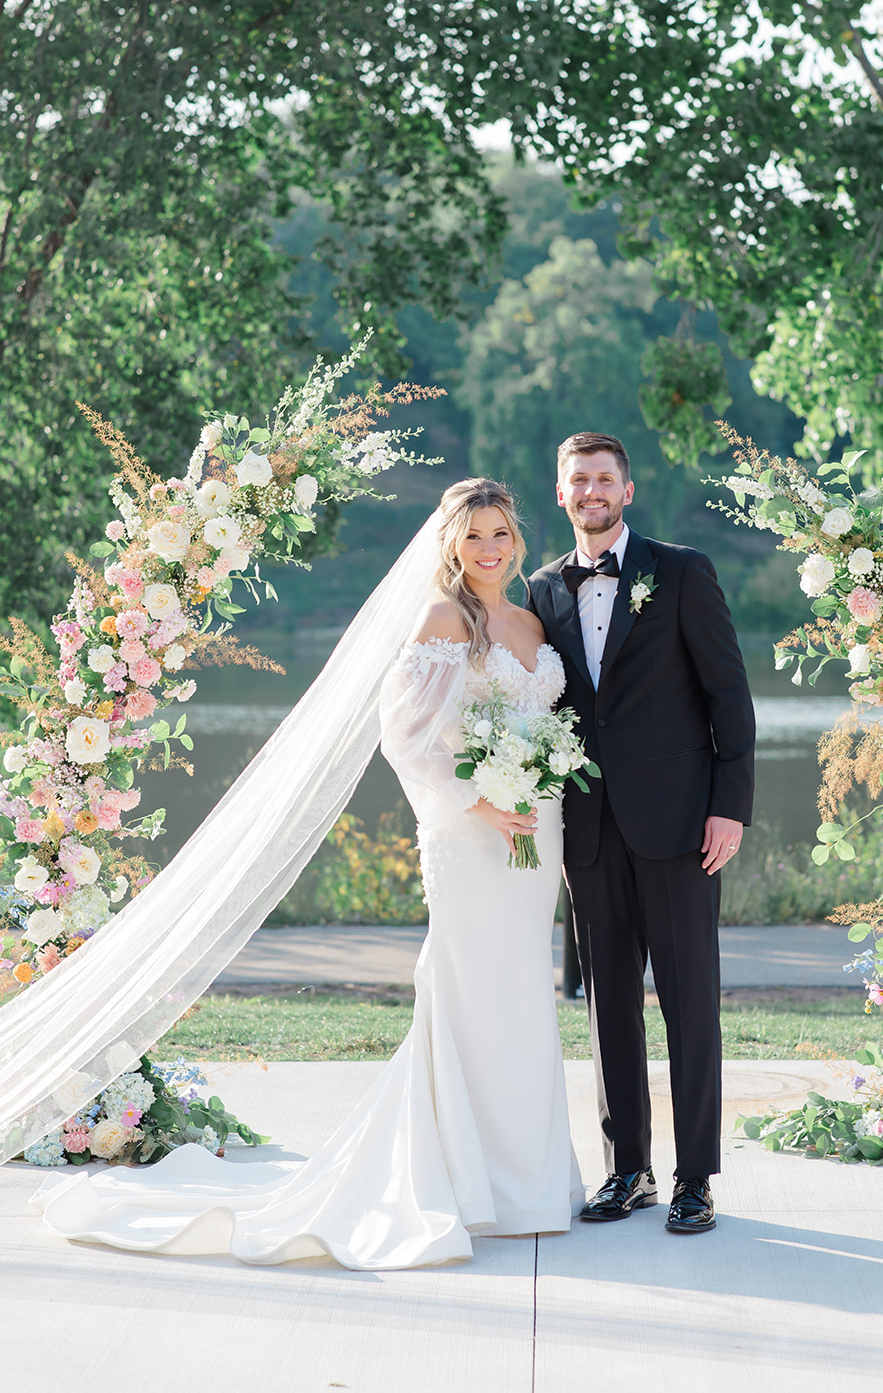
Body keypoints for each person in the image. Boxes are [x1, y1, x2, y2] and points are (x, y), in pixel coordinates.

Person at [32, 479, 581, 1269]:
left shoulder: (528, 619)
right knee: (467, 987)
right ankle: (465, 1178)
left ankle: (529, 1181)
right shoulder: (441, 619)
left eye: (499, 534)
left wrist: (535, 780)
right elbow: (406, 735)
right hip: (471, 835)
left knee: (523, 988)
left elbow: (545, 720)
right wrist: (479, 801)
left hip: (537, 832)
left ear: (516, 539)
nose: (489, 549)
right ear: (449, 547)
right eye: (473, 538)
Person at [528, 433, 756, 1235]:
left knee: (689, 1004)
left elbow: (729, 698)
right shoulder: (540, 591)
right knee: (608, 1007)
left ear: (627, 491)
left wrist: (729, 806)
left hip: (680, 825)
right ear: (561, 495)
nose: (590, 490)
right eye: (576, 480)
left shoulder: (682, 571)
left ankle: (695, 1177)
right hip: (586, 829)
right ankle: (628, 1169)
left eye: (603, 479)